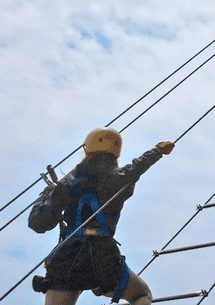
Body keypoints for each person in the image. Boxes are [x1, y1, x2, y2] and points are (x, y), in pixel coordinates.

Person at [28, 128, 175, 305]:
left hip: (66, 260)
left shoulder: (66, 184)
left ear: (87, 149)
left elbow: (38, 223)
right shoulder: (118, 179)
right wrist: (158, 150)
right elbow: (137, 167)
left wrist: (48, 193)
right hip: (102, 258)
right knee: (142, 296)